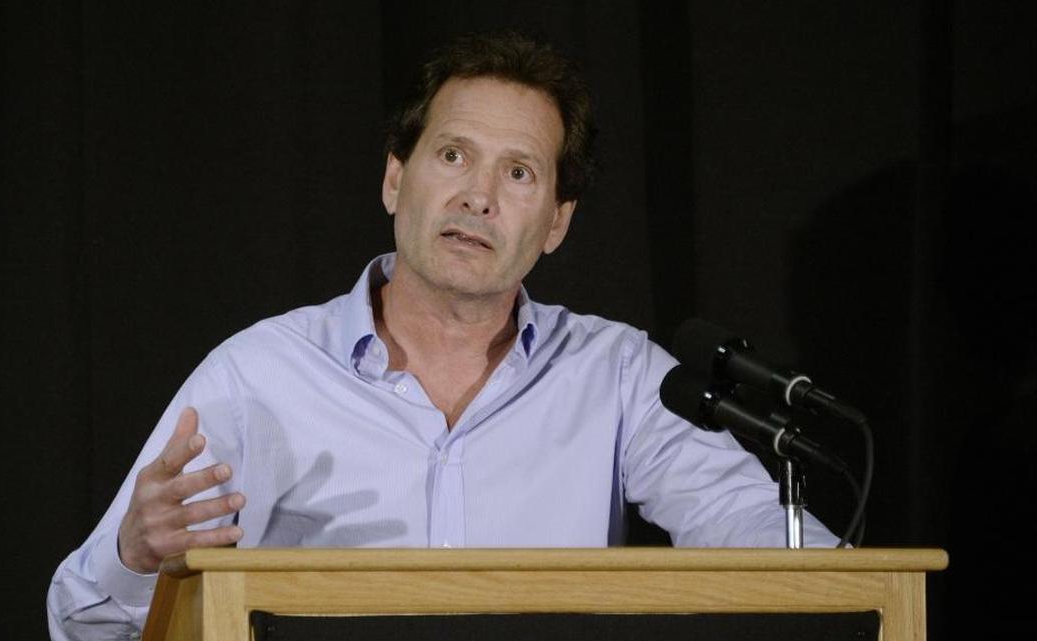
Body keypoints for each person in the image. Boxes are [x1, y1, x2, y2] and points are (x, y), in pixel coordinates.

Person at [48, 30, 839, 641]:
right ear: (397, 177)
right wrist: (134, 553)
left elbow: (754, 536)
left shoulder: (616, 372)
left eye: (519, 172)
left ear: (557, 222)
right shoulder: (260, 376)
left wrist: (850, 590)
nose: (478, 197)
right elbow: (84, 620)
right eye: (454, 155)